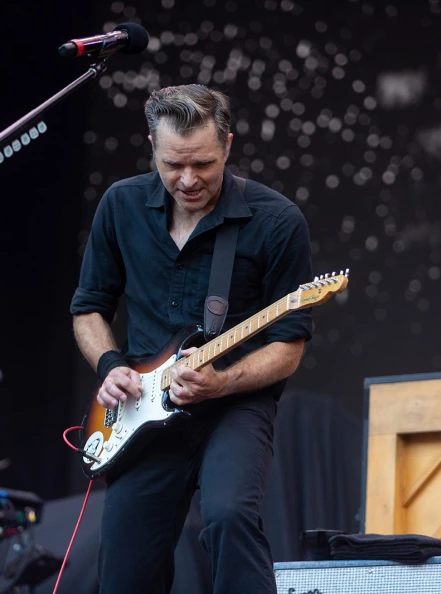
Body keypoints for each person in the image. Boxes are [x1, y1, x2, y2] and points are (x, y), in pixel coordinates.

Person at [70, 84, 314, 594]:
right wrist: (111, 365)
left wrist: (220, 384)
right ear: (153, 148)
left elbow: (289, 344)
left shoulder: (277, 220)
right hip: (143, 410)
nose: (187, 180)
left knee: (228, 517)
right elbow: (89, 307)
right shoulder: (121, 205)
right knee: (124, 566)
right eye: (171, 164)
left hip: (234, 404)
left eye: (202, 163)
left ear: (227, 144)